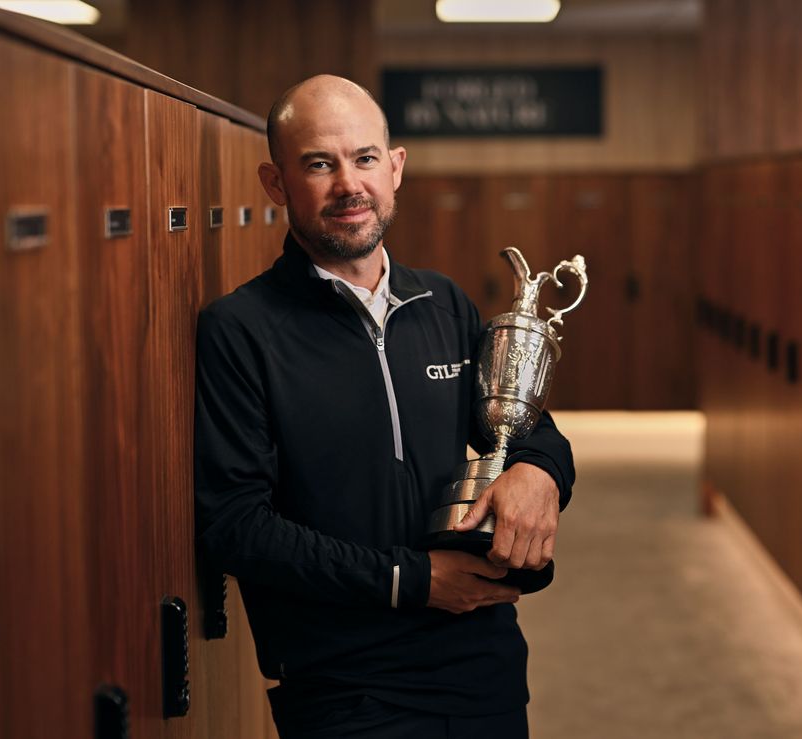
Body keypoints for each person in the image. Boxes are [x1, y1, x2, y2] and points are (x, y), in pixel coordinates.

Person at [193, 74, 575, 738]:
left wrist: (541, 471)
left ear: (395, 168)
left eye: (365, 157)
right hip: (344, 686)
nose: (349, 184)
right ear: (276, 183)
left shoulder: (444, 304)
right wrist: (413, 579)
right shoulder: (242, 328)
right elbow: (236, 525)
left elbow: (522, 427)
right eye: (319, 163)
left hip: (480, 661)